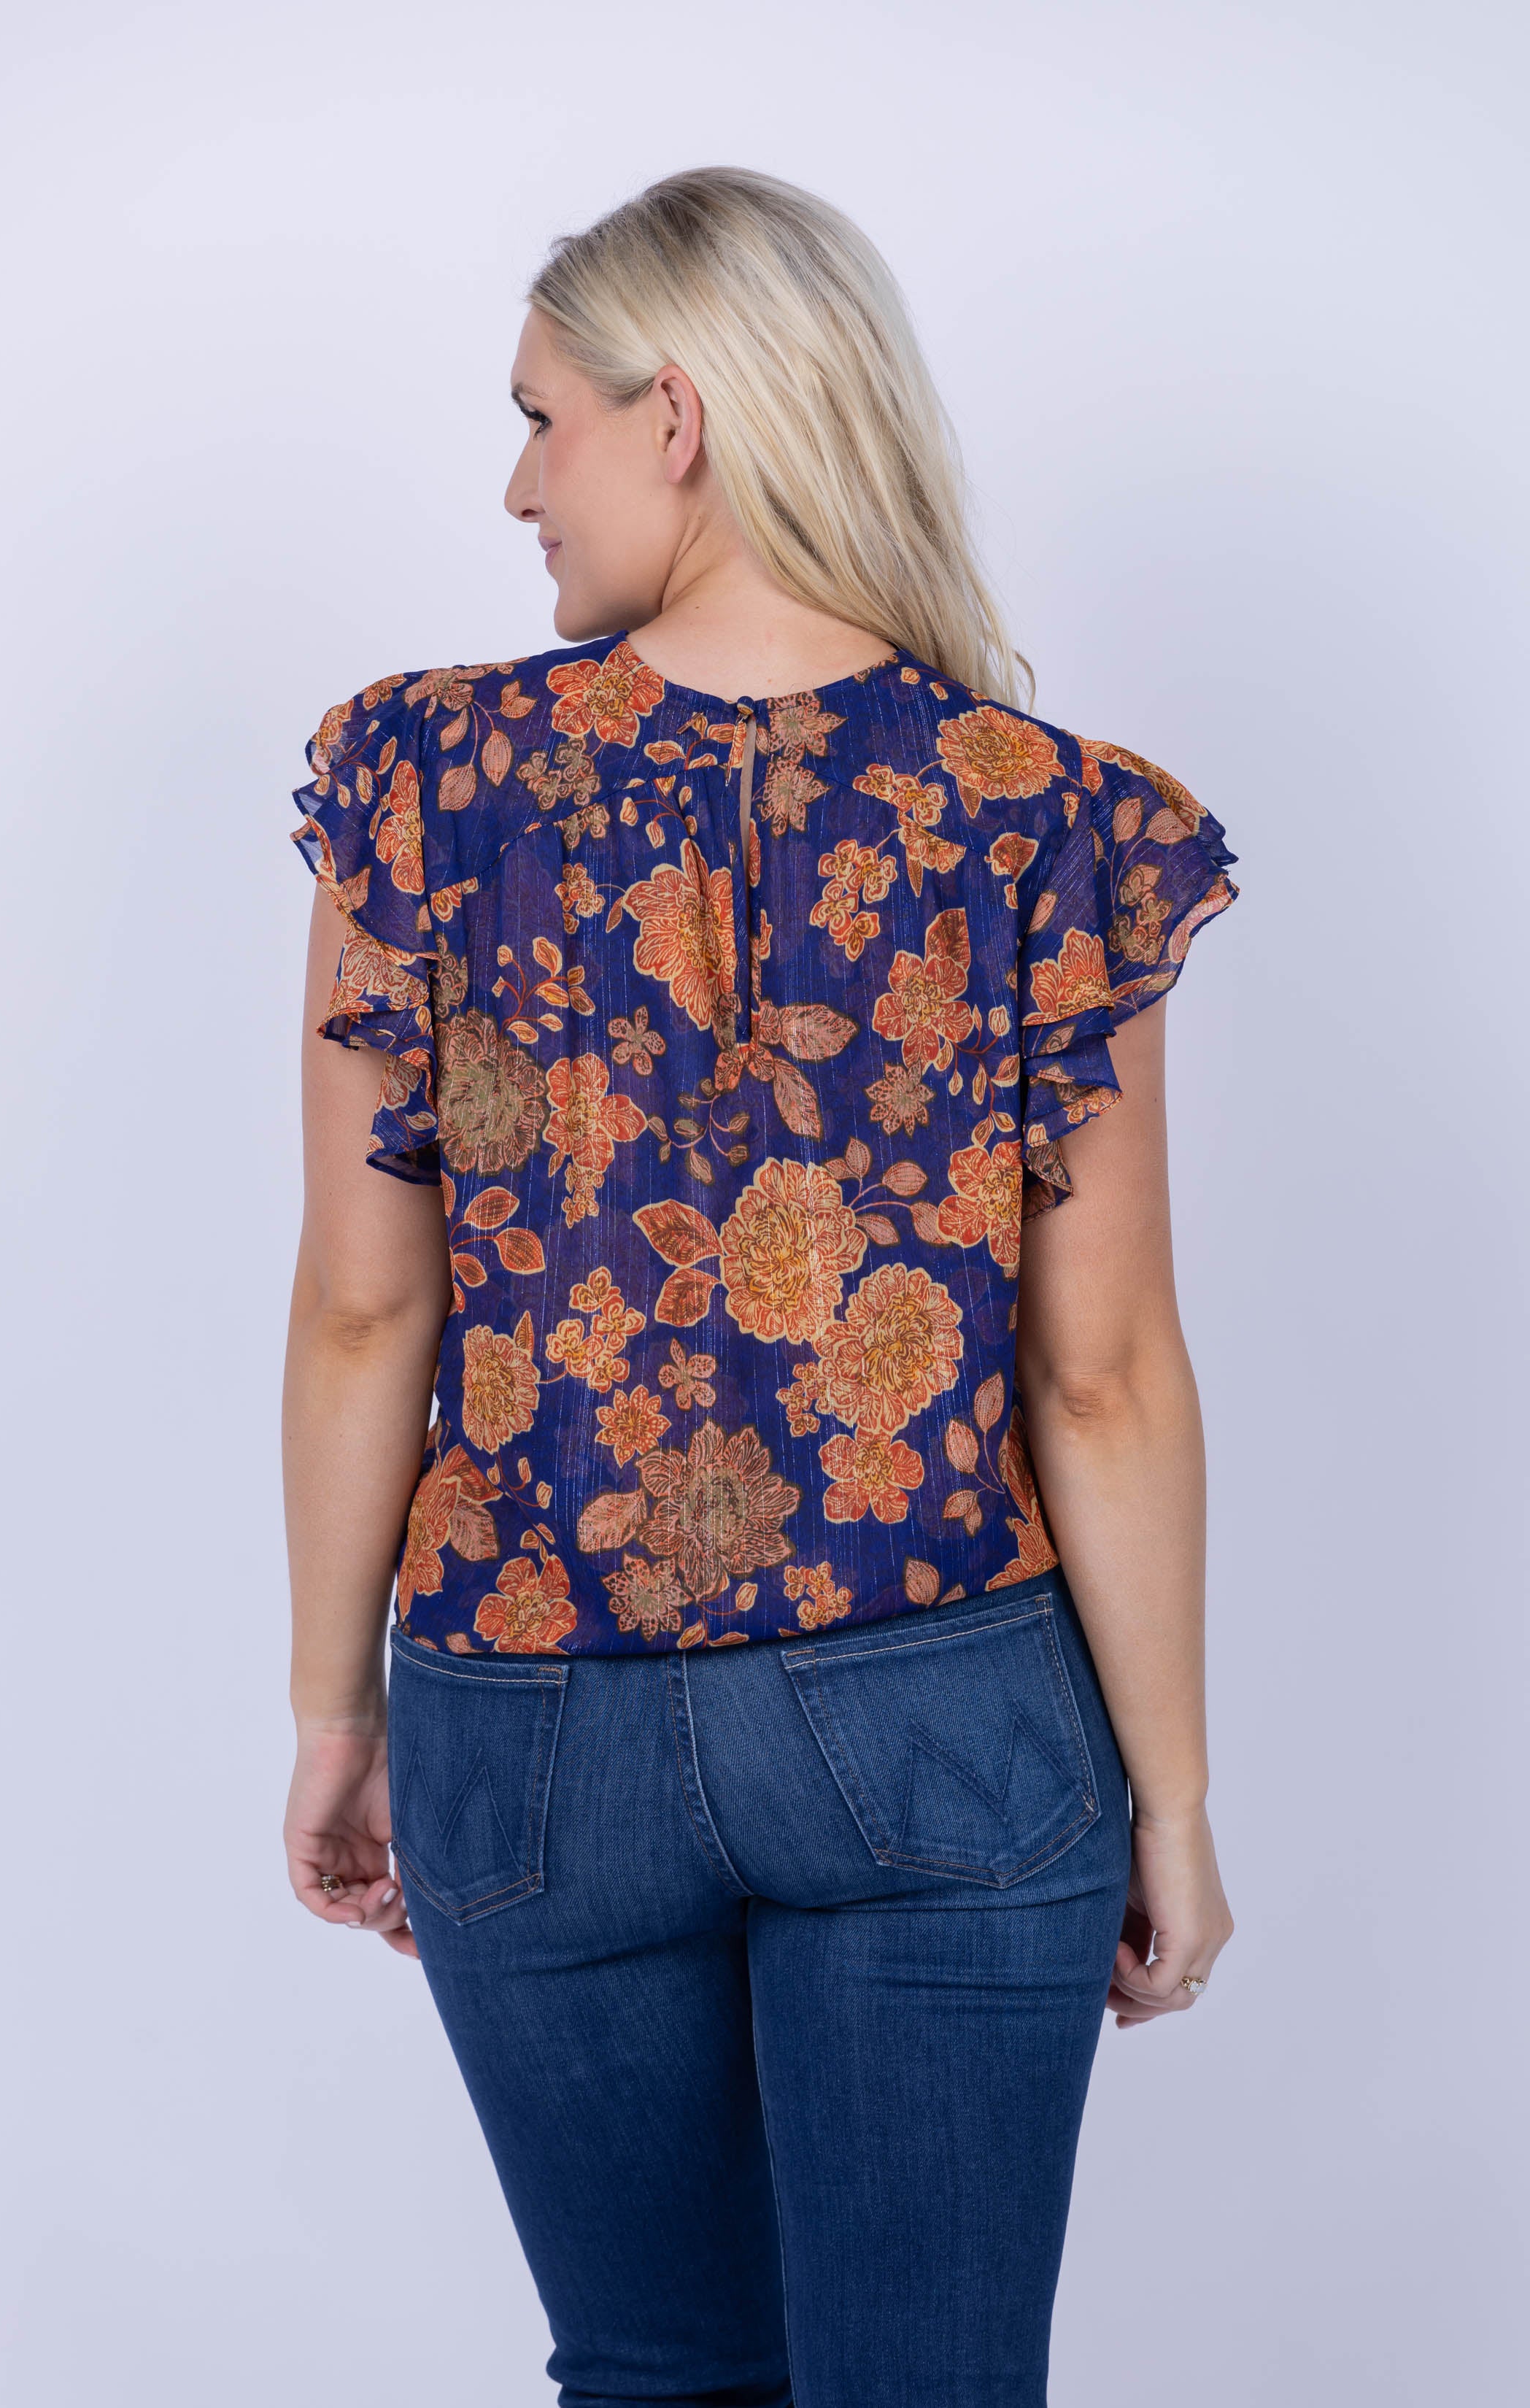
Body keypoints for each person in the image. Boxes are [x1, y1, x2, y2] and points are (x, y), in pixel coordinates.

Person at [281, 165, 1237, 2408]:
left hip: (529, 1718)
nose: (520, 485)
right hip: (942, 1703)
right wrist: (1176, 1803)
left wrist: (336, 1718)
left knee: (656, 2376)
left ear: (678, 417)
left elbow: (364, 1311)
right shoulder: (1043, 815)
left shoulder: (425, 784)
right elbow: (1101, 1372)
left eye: (542, 419)